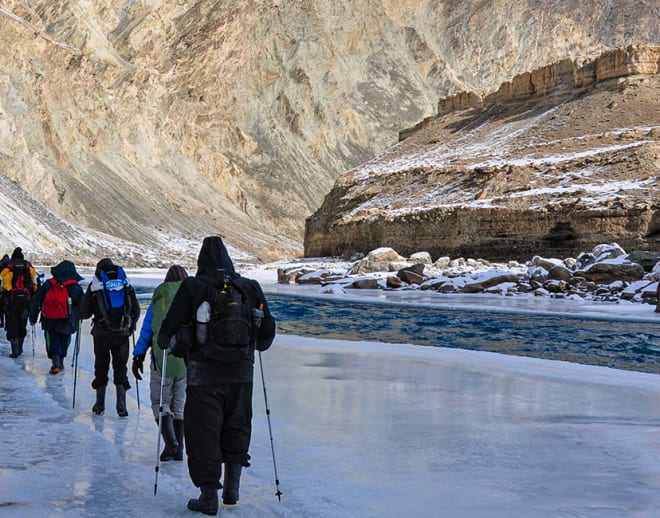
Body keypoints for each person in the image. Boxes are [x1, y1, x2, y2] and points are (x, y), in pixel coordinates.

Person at [157, 236, 276, 515]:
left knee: (203, 434)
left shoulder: (193, 287)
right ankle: (232, 489)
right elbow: (266, 335)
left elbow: (166, 332)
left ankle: (209, 495)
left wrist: (173, 343)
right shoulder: (249, 287)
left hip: (203, 375)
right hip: (241, 374)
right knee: (236, 426)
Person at [132, 264, 189, 461]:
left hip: (162, 357)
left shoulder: (160, 297)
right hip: (186, 361)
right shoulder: (192, 295)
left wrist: (138, 355)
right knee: (179, 405)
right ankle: (179, 448)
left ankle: (170, 443)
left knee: (161, 403)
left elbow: (148, 330)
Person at [77, 258, 140, 417]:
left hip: (101, 334)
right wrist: (130, 326)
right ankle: (121, 406)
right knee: (121, 367)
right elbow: (136, 309)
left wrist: (77, 311)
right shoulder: (125, 284)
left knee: (101, 366)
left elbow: (85, 312)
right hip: (122, 334)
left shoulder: (96, 285)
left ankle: (99, 404)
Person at [29, 260, 84, 374]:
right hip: (67, 320)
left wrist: (33, 317)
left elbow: (35, 300)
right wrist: (80, 316)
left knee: (52, 340)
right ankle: (61, 361)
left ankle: (56, 363)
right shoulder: (75, 286)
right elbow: (82, 304)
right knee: (64, 339)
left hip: (49, 319)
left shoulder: (48, 284)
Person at [1, 247, 38, 358]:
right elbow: (35, 284)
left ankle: (14, 350)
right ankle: (21, 348)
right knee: (22, 323)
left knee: (12, 324)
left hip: (11, 302)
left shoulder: (9, 268)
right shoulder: (28, 268)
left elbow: (3, 282)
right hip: (25, 302)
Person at [0, 254, 9, 328]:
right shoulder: (10, 267)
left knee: (1, 308)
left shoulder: (1, 265)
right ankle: (6, 324)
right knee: (7, 308)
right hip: (7, 289)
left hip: (2, 289)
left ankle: (2, 323)